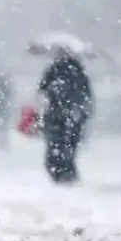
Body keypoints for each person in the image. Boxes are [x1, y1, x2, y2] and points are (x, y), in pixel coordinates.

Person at [37, 48, 93, 183]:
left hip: (55, 115)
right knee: (69, 145)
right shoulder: (79, 72)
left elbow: (41, 88)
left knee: (55, 144)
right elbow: (87, 95)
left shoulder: (53, 70)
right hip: (75, 116)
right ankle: (67, 170)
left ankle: (57, 170)